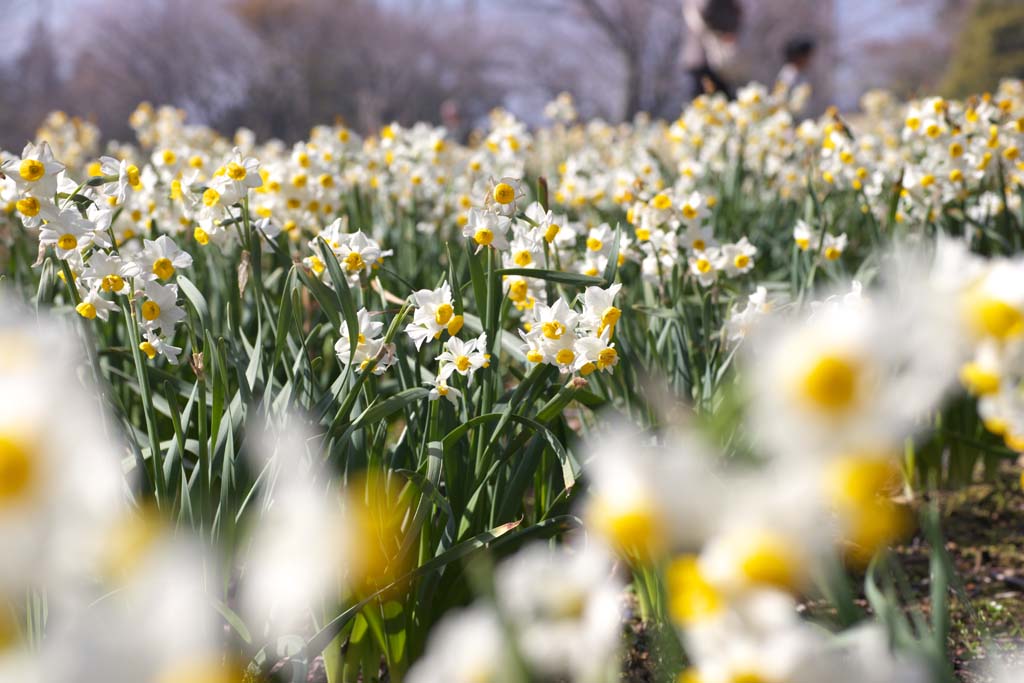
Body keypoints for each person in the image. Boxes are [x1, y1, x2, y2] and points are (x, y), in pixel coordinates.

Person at [681, 0, 743, 100]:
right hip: (706, 59)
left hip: (708, 59)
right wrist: (726, 32)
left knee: (716, 99)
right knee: (713, 100)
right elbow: (708, 14)